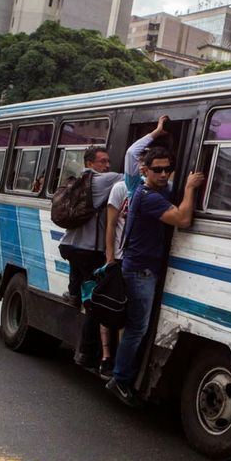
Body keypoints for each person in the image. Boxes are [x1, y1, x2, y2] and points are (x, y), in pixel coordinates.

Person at [63, 125, 167, 373]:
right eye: (103, 161)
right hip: (102, 255)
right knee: (101, 305)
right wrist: (110, 257)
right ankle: (94, 354)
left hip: (74, 247)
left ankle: (74, 296)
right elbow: (111, 225)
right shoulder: (118, 183)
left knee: (97, 300)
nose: (107, 165)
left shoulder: (83, 179)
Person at [106, 146, 205, 406]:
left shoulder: (157, 191)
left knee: (137, 326)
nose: (163, 174)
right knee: (137, 328)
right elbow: (183, 219)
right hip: (140, 272)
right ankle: (120, 379)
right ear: (145, 170)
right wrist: (190, 188)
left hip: (143, 269)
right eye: (157, 170)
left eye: (167, 170)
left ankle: (122, 375)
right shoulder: (148, 196)